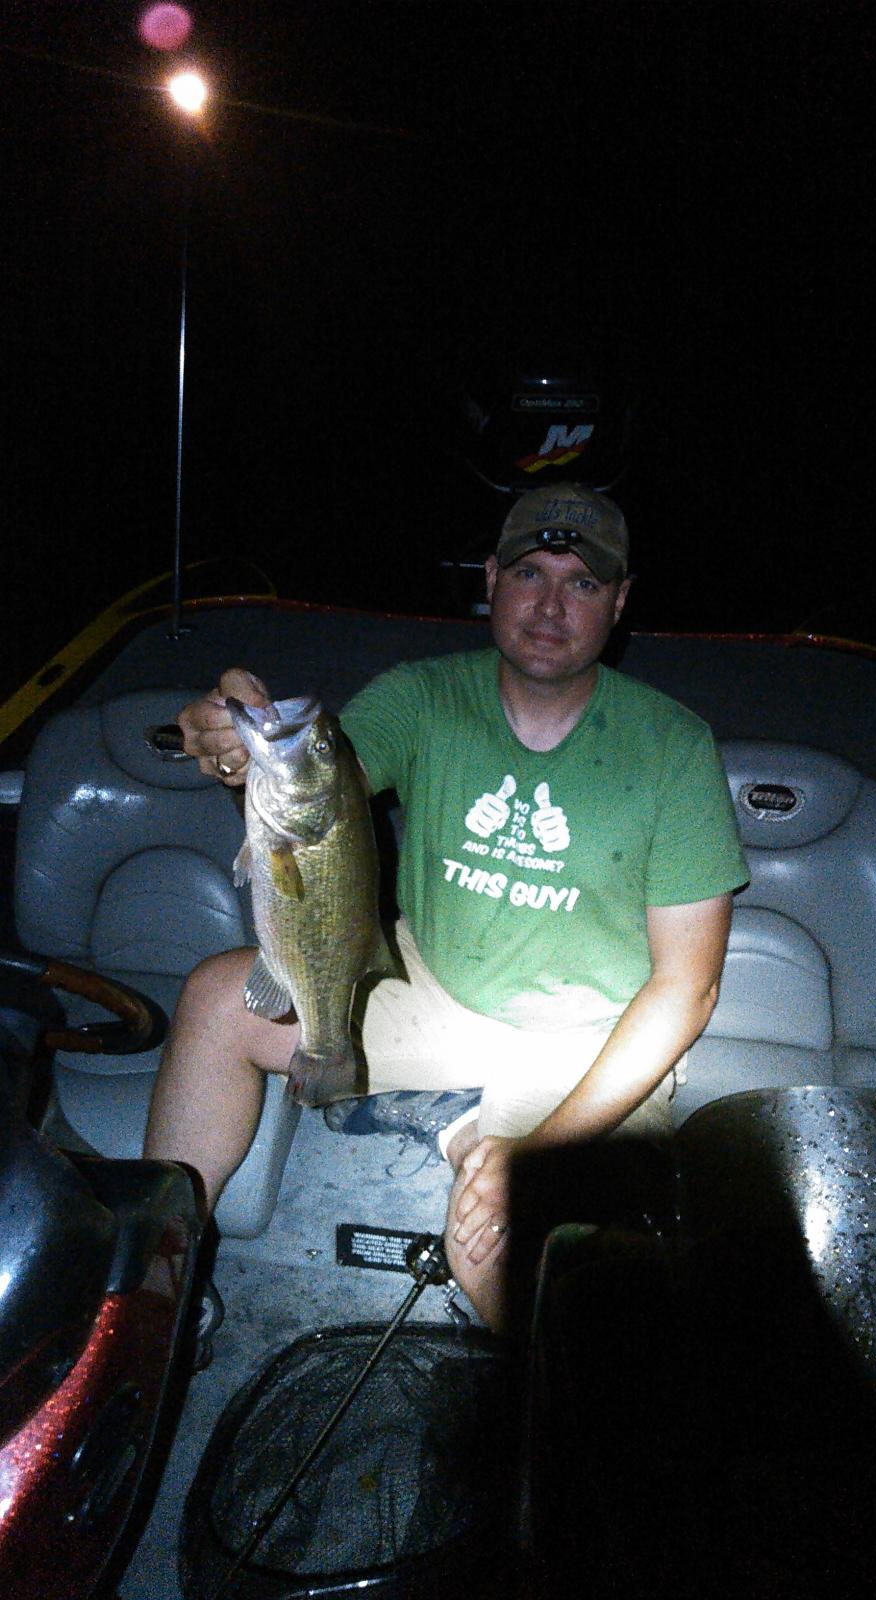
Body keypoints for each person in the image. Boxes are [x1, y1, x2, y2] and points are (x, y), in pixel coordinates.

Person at [144, 482, 748, 1333]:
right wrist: (236, 755)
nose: (550, 606)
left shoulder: (672, 747)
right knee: (215, 1000)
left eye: (582, 583)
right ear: (491, 579)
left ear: (619, 602)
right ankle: (150, 1287)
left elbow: (686, 990)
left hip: (584, 1038)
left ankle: (479, 1146)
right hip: (430, 985)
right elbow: (324, 792)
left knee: (498, 1254)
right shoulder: (423, 697)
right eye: (530, 574)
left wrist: (533, 1153)